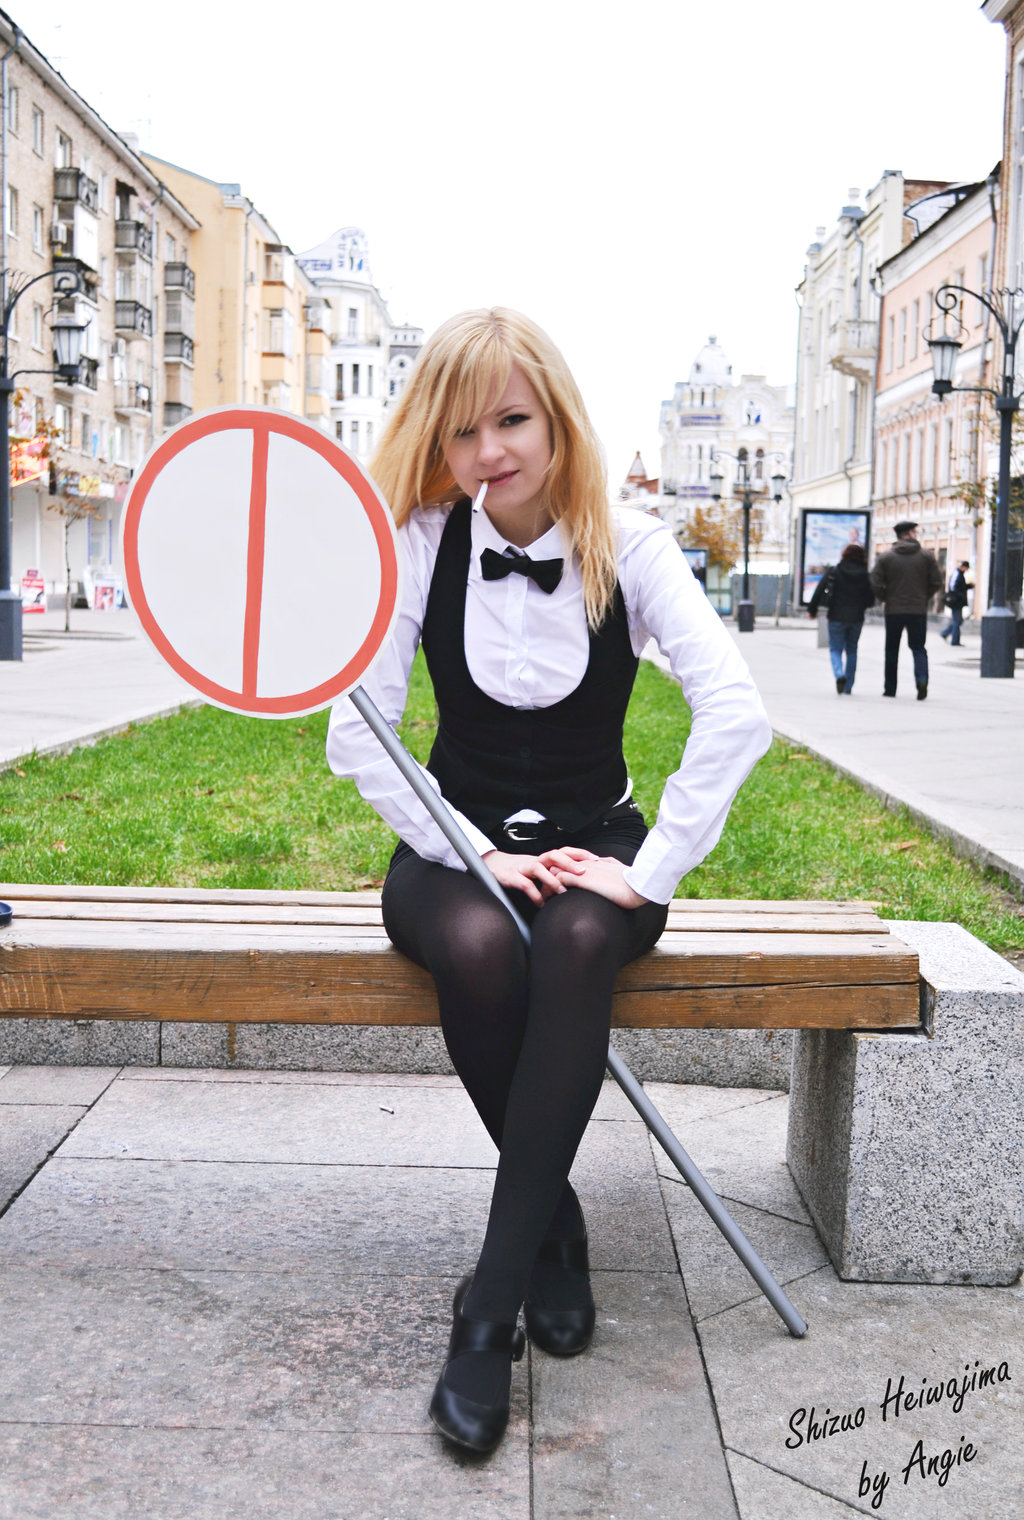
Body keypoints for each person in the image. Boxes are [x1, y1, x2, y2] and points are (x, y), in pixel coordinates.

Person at [325, 307, 772, 1455]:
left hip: (594, 844)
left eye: (512, 421)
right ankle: (553, 1231)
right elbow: (356, 731)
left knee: (572, 943)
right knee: (480, 943)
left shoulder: (632, 545)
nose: (489, 452)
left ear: (558, 418)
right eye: (462, 430)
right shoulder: (422, 542)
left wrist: (649, 869)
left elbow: (736, 711)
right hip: (453, 845)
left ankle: (487, 1304)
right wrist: (477, 852)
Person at [870, 520, 944, 700]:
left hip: (893, 610)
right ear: (910, 534)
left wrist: (886, 597)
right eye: (914, 532)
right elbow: (937, 581)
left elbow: (875, 582)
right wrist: (924, 596)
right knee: (918, 647)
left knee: (891, 649)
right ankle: (922, 680)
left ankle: (890, 688)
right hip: (918, 610)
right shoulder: (926, 556)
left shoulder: (886, 557)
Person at [806, 542, 875, 694]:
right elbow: (870, 599)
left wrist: (812, 610)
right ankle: (848, 686)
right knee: (852, 650)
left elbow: (819, 590)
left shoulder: (834, 571)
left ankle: (839, 675)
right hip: (856, 618)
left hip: (836, 616)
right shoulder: (865, 574)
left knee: (835, 649)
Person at [940, 560, 973, 646]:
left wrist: (968, 586)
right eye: (966, 568)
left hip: (958, 601)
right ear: (963, 567)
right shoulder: (957, 574)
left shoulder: (960, 574)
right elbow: (953, 587)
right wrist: (960, 595)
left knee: (958, 620)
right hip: (956, 601)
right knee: (957, 621)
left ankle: (945, 633)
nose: (966, 570)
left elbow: (960, 586)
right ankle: (954, 640)